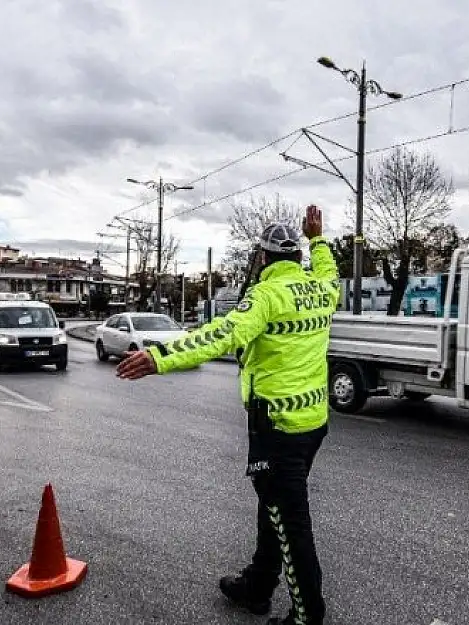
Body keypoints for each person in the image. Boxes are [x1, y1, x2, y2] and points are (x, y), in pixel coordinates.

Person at [116, 204, 339, 625]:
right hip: (313, 424)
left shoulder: (267, 295)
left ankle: (308, 615)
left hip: (277, 428)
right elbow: (329, 270)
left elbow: (222, 334)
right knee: (272, 506)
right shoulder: (322, 289)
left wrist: (161, 356)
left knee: (291, 524)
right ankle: (257, 586)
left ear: (264, 258)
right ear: (297, 257)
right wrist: (318, 237)